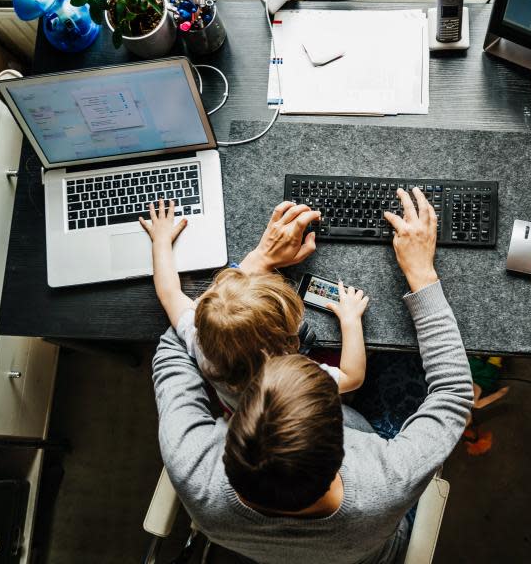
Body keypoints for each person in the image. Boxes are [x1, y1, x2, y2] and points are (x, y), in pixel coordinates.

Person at [151, 188, 474, 563]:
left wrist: (255, 265)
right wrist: (421, 273)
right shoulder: (384, 481)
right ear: (342, 447)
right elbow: (452, 395)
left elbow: (176, 344)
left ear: (231, 434)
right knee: (403, 366)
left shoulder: (191, 467)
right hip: (373, 549)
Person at [140, 199, 370, 409]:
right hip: (286, 405)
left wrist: (160, 241)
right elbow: (352, 377)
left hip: (237, 406)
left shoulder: (200, 338)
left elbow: (169, 292)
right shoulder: (293, 377)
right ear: (288, 341)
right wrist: (351, 321)